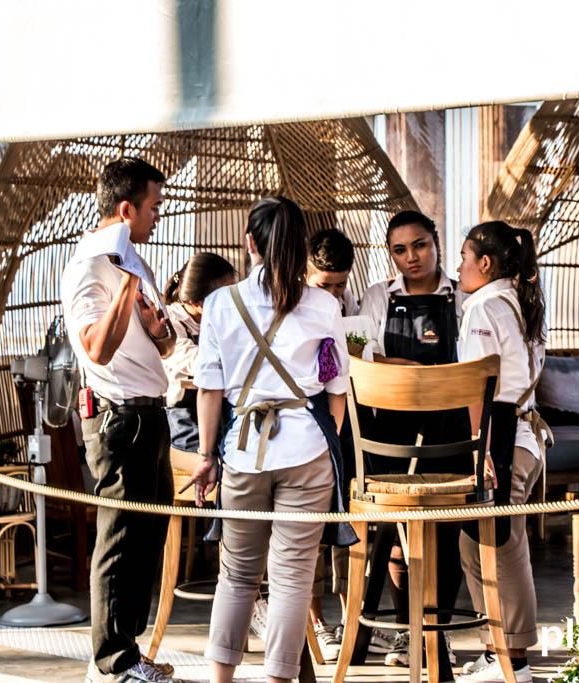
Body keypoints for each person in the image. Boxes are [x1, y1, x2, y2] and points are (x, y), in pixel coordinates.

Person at [187, 196, 354, 683]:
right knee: (292, 578)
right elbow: (337, 388)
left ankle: (220, 680)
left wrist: (206, 456)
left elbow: (209, 388)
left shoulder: (221, 304)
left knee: (237, 575)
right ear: (302, 247)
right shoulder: (324, 305)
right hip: (306, 449)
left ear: (250, 243)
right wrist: (324, 439)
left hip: (242, 451)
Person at [61, 157, 180, 683]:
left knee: (148, 537)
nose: (159, 215)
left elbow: (165, 344)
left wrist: (158, 330)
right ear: (127, 208)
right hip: (118, 417)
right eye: (154, 206)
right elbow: (96, 348)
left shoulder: (134, 261)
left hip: (151, 410)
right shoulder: (92, 264)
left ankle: (127, 652)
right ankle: (112, 661)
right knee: (120, 538)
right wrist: (129, 285)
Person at [358, 210, 468, 672]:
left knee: (449, 529)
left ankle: (438, 633)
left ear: (436, 243)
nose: (411, 257)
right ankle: (408, 632)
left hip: (454, 425)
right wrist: (410, 369)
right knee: (396, 531)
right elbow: (362, 353)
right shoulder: (377, 296)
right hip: (393, 428)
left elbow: (475, 359)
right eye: (400, 250)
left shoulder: (463, 295)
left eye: (420, 245)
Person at [455, 221, 546, 683]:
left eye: (464, 258)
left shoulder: (484, 305)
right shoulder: (520, 299)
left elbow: (479, 384)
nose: (458, 268)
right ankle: (500, 655)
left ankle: (515, 662)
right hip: (525, 434)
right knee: (480, 542)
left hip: (501, 435)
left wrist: (481, 448)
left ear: (485, 263)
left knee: (499, 544)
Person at [303, 228, 359, 660]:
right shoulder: (296, 307)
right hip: (310, 422)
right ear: (306, 272)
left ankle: (350, 618)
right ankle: (316, 622)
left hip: (347, 421)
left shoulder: (350, 308)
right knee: (312, 531)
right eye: (326, 285)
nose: (335, 295)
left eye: (341, 285)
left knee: (346, 520)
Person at [162, 252, 237, 454]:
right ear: (196, 302)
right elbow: (190, 359)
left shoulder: (225, 318)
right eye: (225, 295)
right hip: (184, 415)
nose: (232, 300)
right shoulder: (171, 320)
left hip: (221, 407)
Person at [307, 228, 360, 316]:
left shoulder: (346, 299)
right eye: (323, 285)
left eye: (340, 285)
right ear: (305, 274)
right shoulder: (293, 304)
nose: (331, 293)